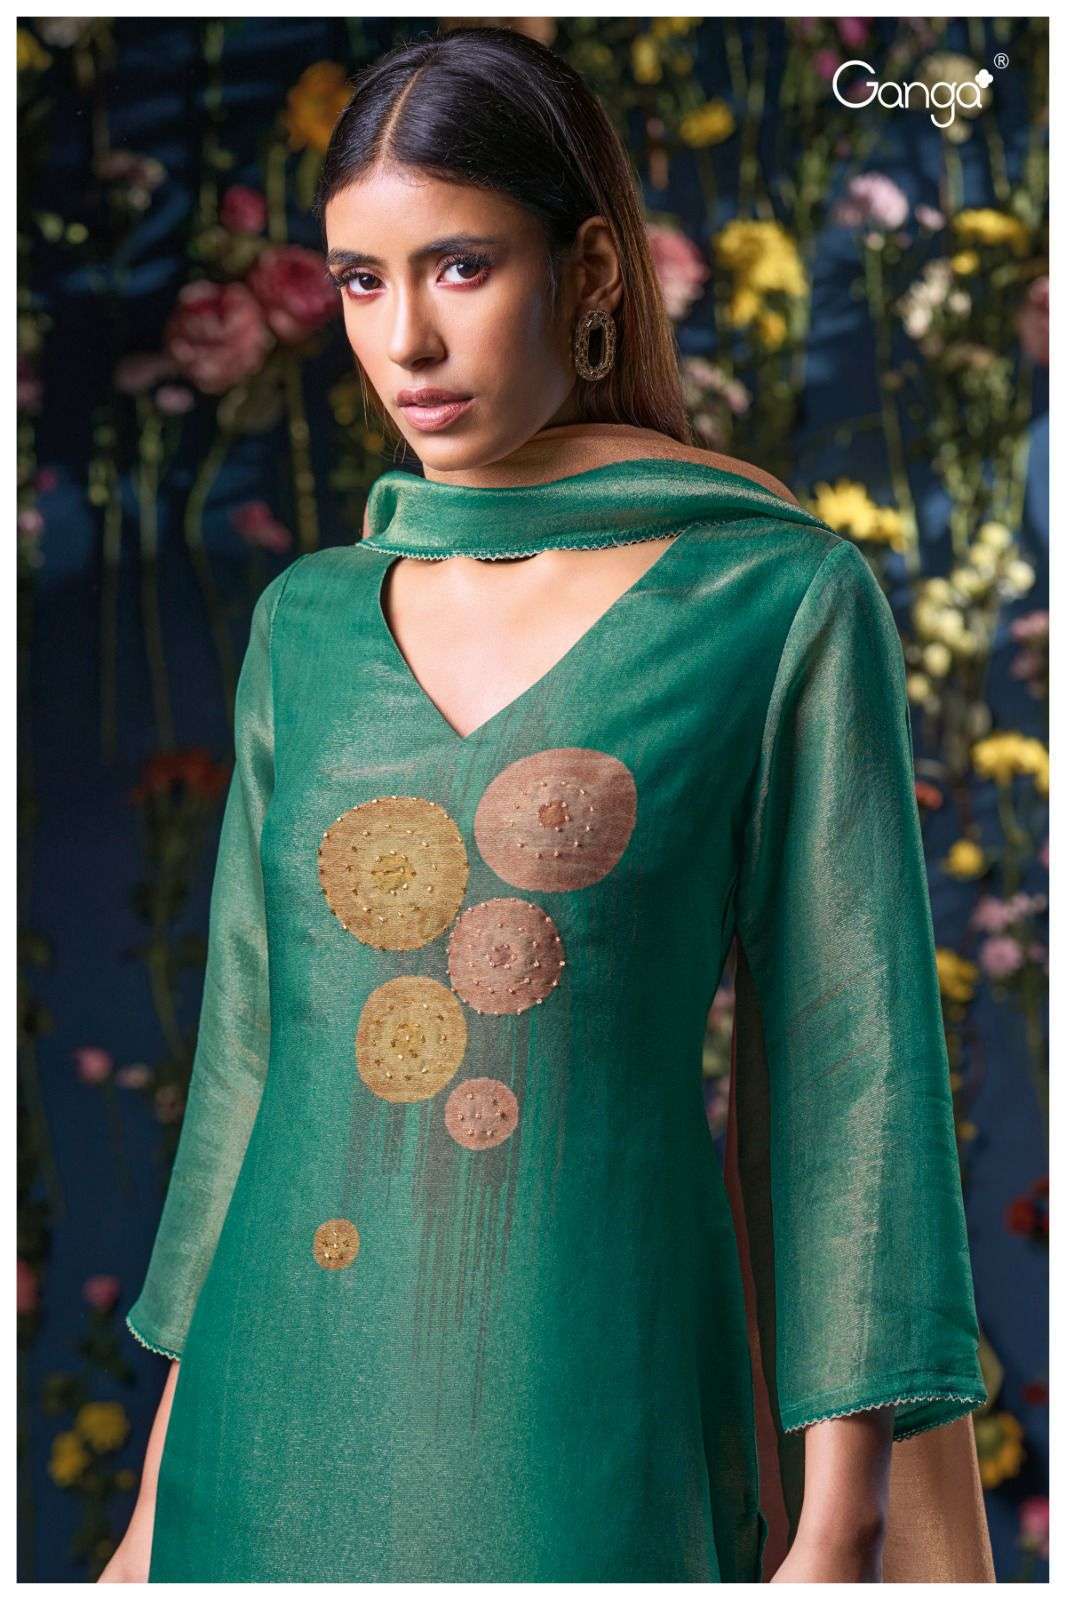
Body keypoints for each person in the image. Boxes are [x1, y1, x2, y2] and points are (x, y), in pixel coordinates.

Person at [102, 26, 993, 1584]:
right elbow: (247, 1073)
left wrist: (838, 1521)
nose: (404, 342)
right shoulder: (310, 624)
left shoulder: (770, 598)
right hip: (263, 1423)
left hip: (589, 1403)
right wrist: (147, 1519)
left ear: (586, 269)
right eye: (360, 280)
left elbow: (845, 1077)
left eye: (460, 267)